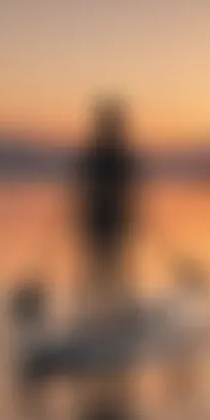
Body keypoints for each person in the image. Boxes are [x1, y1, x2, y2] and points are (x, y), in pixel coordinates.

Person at [75, 97, 138, 301]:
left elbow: (127, 189)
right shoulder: (102, 155)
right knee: (100, 265)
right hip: (101, 219)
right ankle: (100, 304)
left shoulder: (114, 156)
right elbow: (83, 187)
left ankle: (114, 303)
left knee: (113, 265)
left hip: (111, 219)